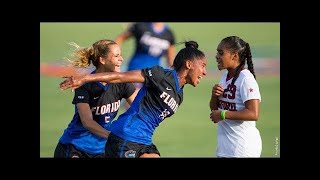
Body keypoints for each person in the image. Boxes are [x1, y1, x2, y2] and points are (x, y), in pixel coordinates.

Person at [59, 41, 207, 158]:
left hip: (141, 140)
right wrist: (85, 78)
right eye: (203, 66)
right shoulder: (161, 75)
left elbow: (138, 102)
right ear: (189, 64)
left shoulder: (179, 95)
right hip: (119, 138)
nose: (205, 72)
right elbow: (121, 77)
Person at [54, 39, 137, 158]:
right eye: (116, 56)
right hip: (75, 147)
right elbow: (87, 122)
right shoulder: (84, 85)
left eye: (121, 55)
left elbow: (138, 109)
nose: (121, 59)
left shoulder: (123, 83)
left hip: (102, 150)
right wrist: (113, 137)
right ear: (102, 60)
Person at [209, 36, 262, 158]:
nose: (217, 56)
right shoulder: (225, 77)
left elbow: (253, 113)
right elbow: (214, 110)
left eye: (221, 53)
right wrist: (214, 96)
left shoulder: (246, 79)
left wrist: (223, 114)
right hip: (225, 148)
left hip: (242, 149)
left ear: (234, 56)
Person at [115, 22, 176, 102]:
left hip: (154, 76)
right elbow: (120, 38)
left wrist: (173, 77)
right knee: (133, 104)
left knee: (147, 107)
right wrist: (115, 56)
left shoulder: (168, 34)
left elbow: (170, 59)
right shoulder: (142, 26)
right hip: (136, 71)